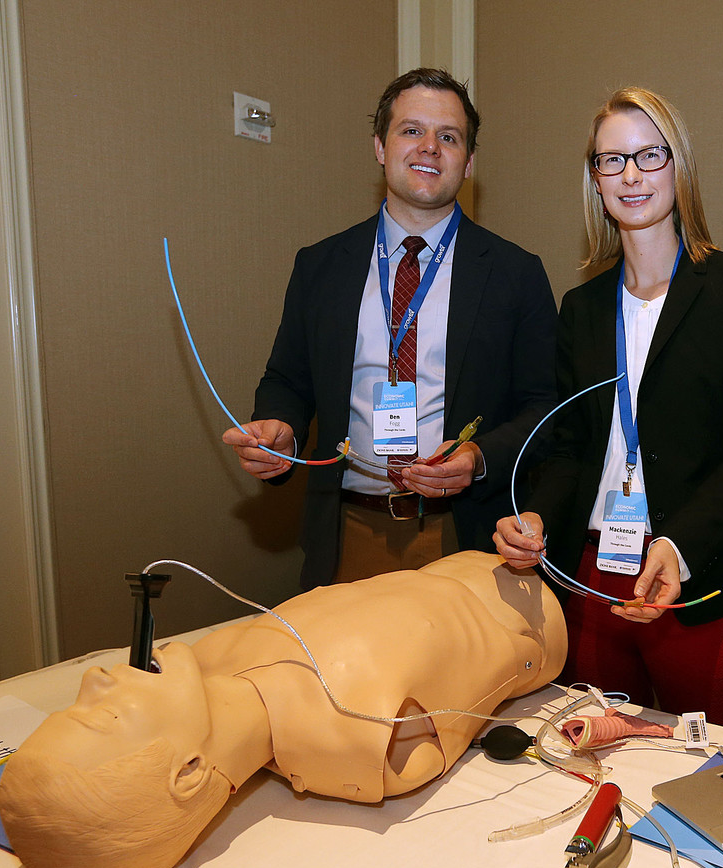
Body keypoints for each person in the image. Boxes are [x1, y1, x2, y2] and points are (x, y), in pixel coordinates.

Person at [0, 551, 567, 868]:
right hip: (540, 617)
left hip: (477, 560)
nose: (93, 679)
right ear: (189, 770)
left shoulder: (214, 656)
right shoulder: (351, 740)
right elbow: (453, 719)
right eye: (102, 716)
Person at [494, 88, 723, 732]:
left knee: (709, 781)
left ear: (678, 167)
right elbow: (571, 448)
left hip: (699, 576)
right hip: (595, 578)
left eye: (648, 155)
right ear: (594, 181)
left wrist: (678, 547)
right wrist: (536, 514)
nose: (630, 175)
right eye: (611, 161)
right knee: (593, 769)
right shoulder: (582, 309)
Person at [223, 68, 557, 590]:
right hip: (346, 532)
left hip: (464, 536)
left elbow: (545, 406)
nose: (429, 147)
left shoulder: (516, 274)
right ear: (380, 146)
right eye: (411, 130)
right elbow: (287, 379)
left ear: (468, 163)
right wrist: (278, 426)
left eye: (448, 137)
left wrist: (478, 457)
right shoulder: (321, 265)